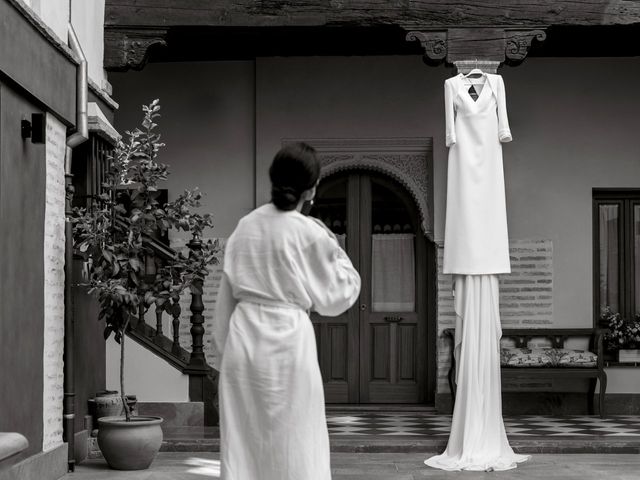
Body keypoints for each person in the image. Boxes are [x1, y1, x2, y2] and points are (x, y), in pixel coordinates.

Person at [212, 142, 361, 480]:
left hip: (244, 345)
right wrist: (334, 247)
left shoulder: (244, 227)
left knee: (244, 445)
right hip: (290, 345)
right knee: (297, 440)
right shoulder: (309, 233)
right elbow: (339, 295)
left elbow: (225, 301)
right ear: (312, 188)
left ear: (273, 178)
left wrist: (224, 353)